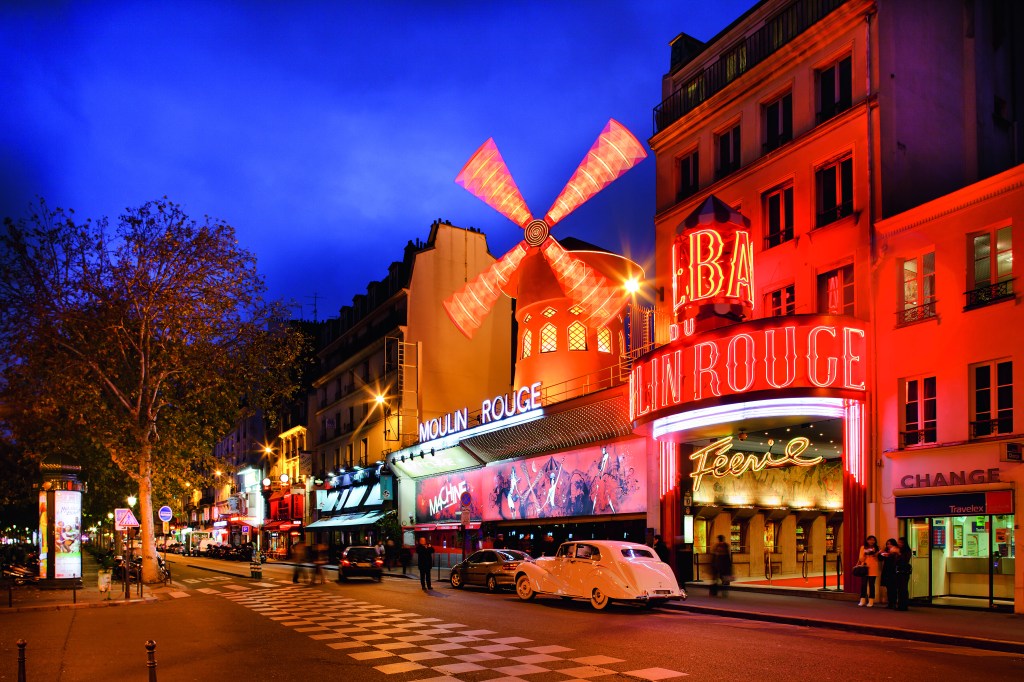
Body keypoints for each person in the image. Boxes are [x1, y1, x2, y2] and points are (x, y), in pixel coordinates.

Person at [857, 535, 881, 607]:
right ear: (867, 541)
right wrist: (866, 553)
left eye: (873, 540)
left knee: (871, 585)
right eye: (870, 540)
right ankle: (862, 600)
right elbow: (861, 559)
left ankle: (871, 600)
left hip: (873, 568)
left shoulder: (877, 548)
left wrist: (875, 553)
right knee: (863, 584)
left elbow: (879, 558)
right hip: (864, 567)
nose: (871, 541)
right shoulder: (863, 547)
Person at [879, 538, 899, 608]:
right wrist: (880, 553)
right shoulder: (886, 551)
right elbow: (880, 559)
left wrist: (890, 555)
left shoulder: (896, 551)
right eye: (887, 544)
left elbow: (896, 560)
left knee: (893, 587)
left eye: (890, 544)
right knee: (888, 588)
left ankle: (894, 602)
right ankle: (890, 603)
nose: (888, 545)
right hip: (887, 570)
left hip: (893, 571)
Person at [894, 537, 912, 611]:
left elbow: (905, 559)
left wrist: (898, 553)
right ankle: (899, 604)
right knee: (899, 588)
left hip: (904, 571)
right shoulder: (898, 550)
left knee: (903, 588)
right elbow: (896, 561)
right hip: (898, 570)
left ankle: (904, 605)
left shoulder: (907, 551)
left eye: (901, 542)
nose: (899, 544)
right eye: (899, 542)